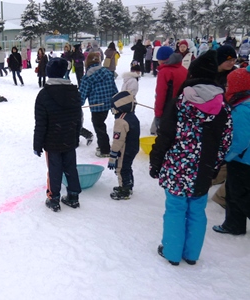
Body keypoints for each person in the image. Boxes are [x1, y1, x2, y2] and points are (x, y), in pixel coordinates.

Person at [151, 50, 232, 266]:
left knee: (176, 209)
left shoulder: (181, 101)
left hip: (178, 166)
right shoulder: (223, 106)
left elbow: (165, 134)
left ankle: (172, 252)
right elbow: (225, 141)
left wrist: (156, 160)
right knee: (197, 210)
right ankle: (192, 254)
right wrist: (215, 166)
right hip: (203, 168)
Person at [33, 58, 83, 212]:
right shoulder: (74, 92)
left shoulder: (44, 94)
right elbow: (78, 119)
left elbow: (41, 123)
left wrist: (37, 144)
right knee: (70, 167)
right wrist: (75, 138)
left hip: (52, 141)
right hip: (68, 138)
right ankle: (73, 195)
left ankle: (54, 198)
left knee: (54, 169)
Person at [212, 66, 250, 235]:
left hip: (242, 160)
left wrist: (226, 156)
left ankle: (234, 224)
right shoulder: (243, 104)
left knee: (239, 195)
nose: (226, 88)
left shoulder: (242, 110)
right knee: (233, 193)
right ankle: (234, 224)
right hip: (243, 159)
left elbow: (240, 140)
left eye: (228, 85)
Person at [79, 52, 119, 157]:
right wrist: (116, 102)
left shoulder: (87, 77)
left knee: (99, 126)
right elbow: (114, 90)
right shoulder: (107, 73)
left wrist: (78, 103)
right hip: (107, 105)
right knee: (101, 124)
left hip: (96, 107)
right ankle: (103, 145)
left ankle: (105, 150)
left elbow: (82, 95)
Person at [107, 90, 140, 200]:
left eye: (113, 108)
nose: (112, 111)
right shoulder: (132, 117)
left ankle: (124, 189)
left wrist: (113, 154)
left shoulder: (120, 121)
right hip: (133, 148)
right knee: (127, 166)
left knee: (121, 168)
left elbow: (118, 140)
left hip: (125, 149)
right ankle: (129, 185)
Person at [150, 46, 187, 135]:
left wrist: (158, 114)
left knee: (165, 136)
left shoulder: (165, 72)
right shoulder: (184, 70)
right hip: (182, 107)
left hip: (169, 109)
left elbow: (161, 95)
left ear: (162, 60)